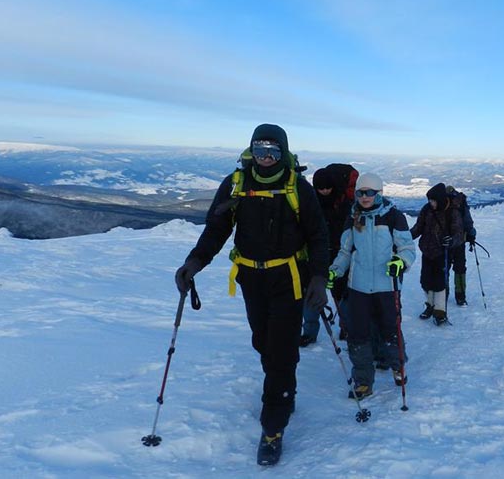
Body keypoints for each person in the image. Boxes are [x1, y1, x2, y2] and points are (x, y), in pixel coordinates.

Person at [173, 123, 329, 467]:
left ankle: (273, 426)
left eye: (274, 150)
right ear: (251, 151)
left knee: (282, 350)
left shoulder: (298, 188)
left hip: (288, 278)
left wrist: (319, 276)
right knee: (263, 342)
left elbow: (318, 235)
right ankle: (281, 386)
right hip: (250, 278)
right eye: (260, 150)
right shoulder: (235, 184)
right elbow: (217, 229)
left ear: (285, 152)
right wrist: (195, 261)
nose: (267, 157)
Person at [329, 173, 415, 399]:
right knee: (358, 334)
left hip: (387, 286)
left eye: (369, 192)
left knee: (390, 329)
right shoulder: (352, 217)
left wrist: (401, 262)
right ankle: (363, 381)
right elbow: (345, 252)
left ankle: (398, 366)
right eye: (360, 192)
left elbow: (407, 248)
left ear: (379, 193)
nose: (364, 197)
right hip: (358, 287)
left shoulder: (394, 217)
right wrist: (335, 270)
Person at [300, 166, 353, 347]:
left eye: (327, 188)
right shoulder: (310, 203)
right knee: (312, 293)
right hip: (315, 255)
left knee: (342, 294)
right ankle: (309, 332)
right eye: (320, 188)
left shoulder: (344, 204)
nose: (324, 191)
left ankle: (346, 327)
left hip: (340, 255)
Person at [411, 182, 464, 325]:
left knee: (440, 283)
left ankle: (440, 312)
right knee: (426, 281)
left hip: (442, 253)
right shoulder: (427, 209)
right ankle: (429, 306)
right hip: (427, 251)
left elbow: (459, 234)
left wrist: (451, 241)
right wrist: (405, 238)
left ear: (440, 199)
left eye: (433, 200)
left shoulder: (452, 212)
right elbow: (418, 227)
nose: (431, 203)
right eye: (429, 200)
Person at [446, 185, 476, 306]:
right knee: (460, 269)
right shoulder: (461, 202)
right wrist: (471, 234)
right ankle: (460, 296)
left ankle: (443, 294)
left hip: (446, 241)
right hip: (460, 241)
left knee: (444, 268)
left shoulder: (444, 203)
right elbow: (468, 221)